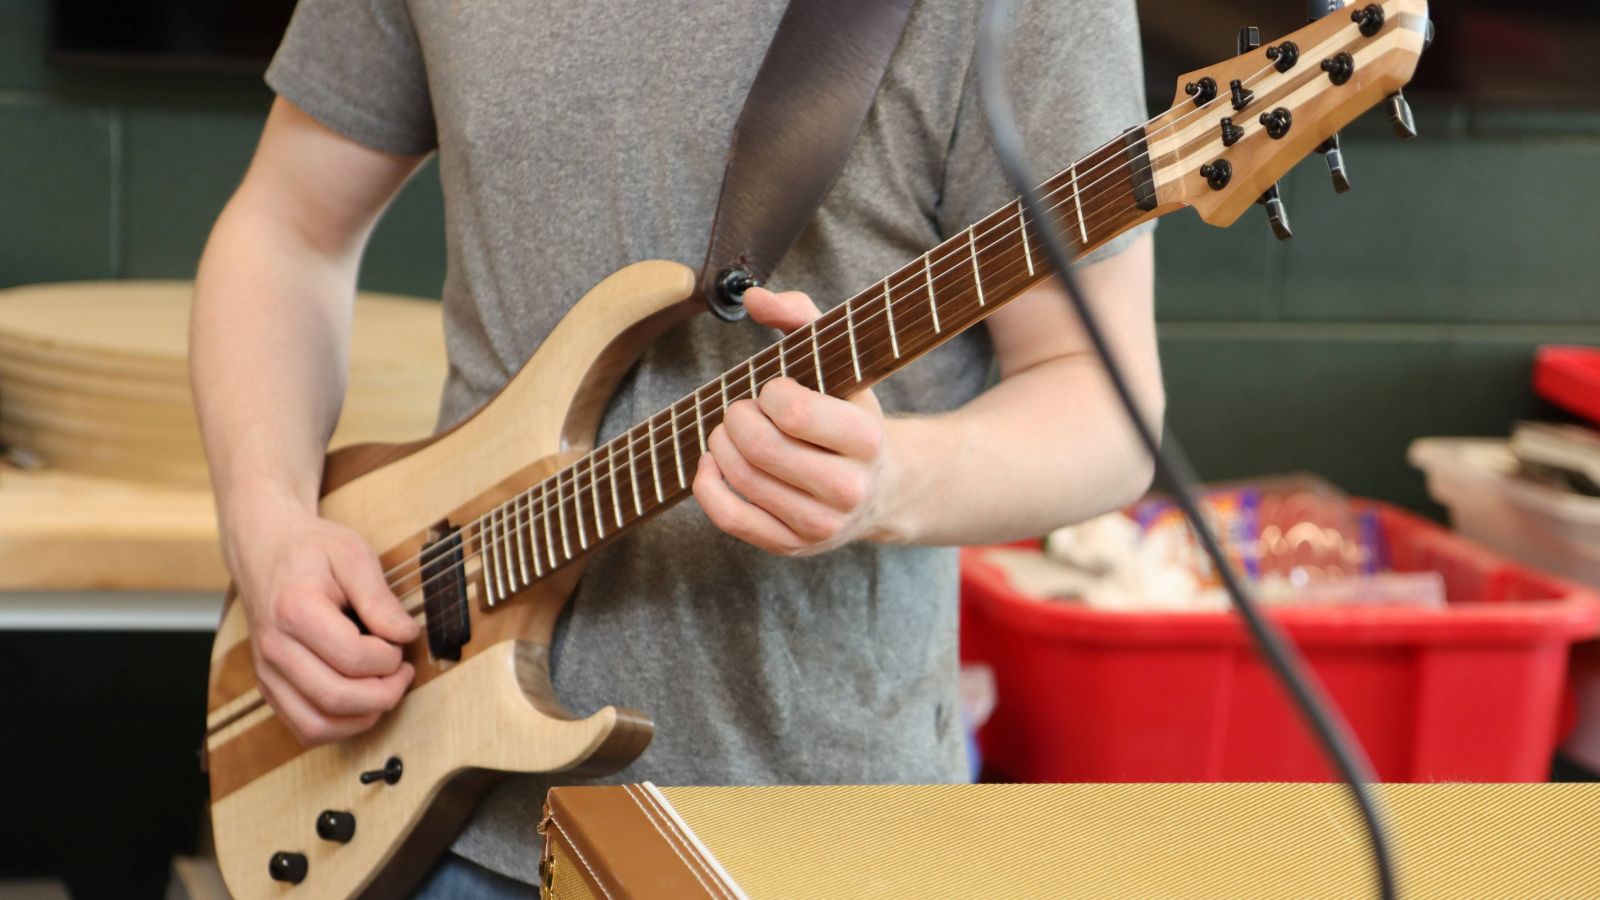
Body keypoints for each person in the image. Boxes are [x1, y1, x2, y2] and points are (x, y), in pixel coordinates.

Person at [191, 0, 1161, 893]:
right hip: (437, 810)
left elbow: (1103, 406)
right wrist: (267, 528)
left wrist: (892, 480)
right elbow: (287, 230)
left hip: (825, 840)